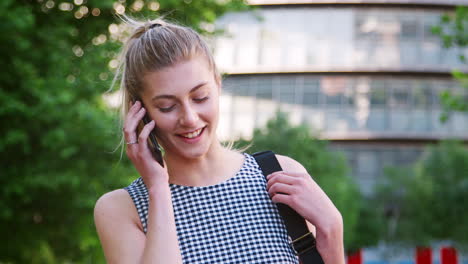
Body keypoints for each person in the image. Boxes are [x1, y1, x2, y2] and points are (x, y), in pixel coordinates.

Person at [94, 16, 344, 264]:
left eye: (200, 97)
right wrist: (158, 188)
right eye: (167, 106)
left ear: (218, 85)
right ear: (140, 110)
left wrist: (332, 231)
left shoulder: (281, 176)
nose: (190, 119)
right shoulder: (121, 210)